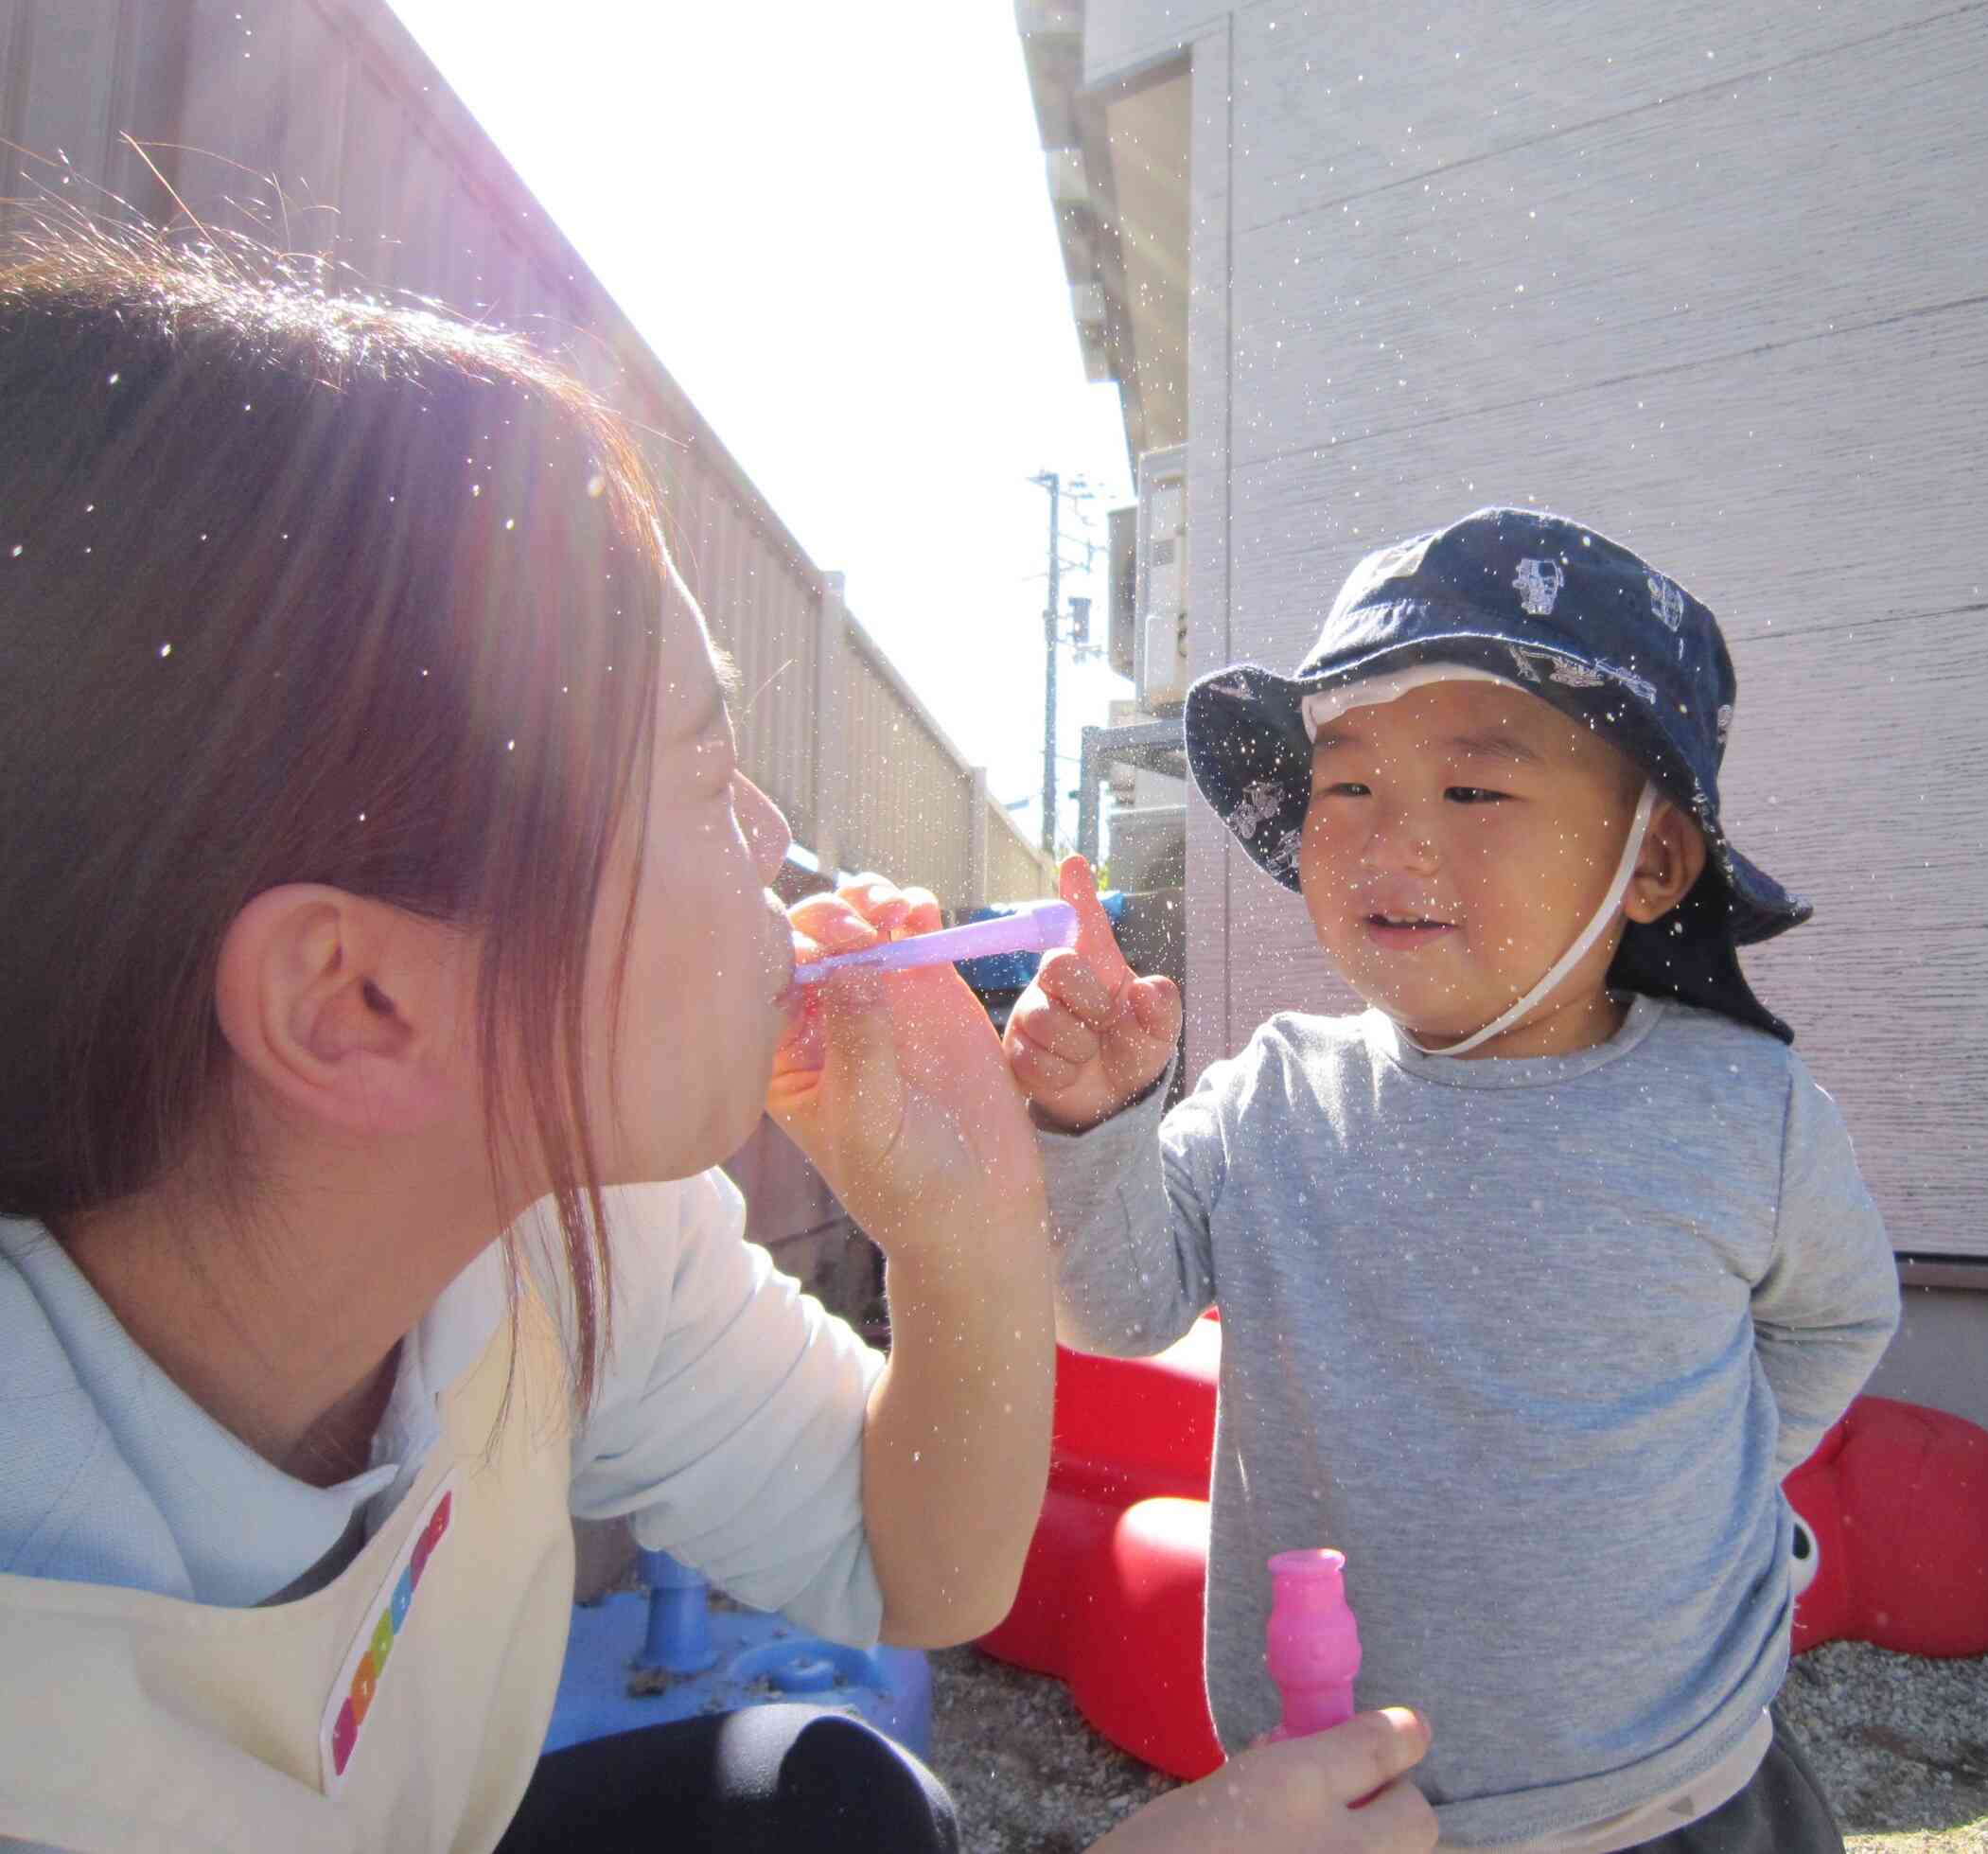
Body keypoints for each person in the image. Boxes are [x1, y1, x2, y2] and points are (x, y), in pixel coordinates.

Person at [0, 224, 1436, 1854]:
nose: (774, 838)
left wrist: (958, 1222)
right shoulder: (46, 1681)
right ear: (358, 1003)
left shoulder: (549, 1222)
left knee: (826, 1804)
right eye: (700, 776)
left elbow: (917, 1568)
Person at [1006, 508, 1904, 1852]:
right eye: (1348, 785)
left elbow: (1839, 1315)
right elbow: (1116, 1310)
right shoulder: (1275, 1102)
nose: (1389, 842)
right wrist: (1097, 1119)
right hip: (1342, 1802)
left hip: (1688, 1791)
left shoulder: (1736, 1113)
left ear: (1650, 862)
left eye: (1474, 791)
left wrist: (1709, 1481)